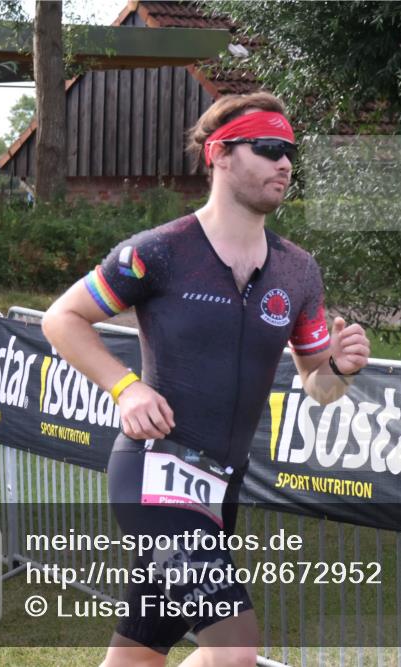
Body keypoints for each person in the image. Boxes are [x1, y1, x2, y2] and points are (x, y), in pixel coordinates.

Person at [41, 91, 370, 667]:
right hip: (153, 471)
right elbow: (62, 318)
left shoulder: (298, 270)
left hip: (223, 489)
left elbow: (316, 387)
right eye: (268, 148)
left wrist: (339, 368)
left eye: (289, 151)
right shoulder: (157, 251)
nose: (284, 163)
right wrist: (127, 388)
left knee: (140, 650)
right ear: (219, 154)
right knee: (236, 648)